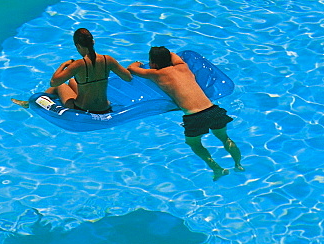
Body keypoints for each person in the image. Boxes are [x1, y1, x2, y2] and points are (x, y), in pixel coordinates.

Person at [128, 46, 244, 180]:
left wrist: (138, 62)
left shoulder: (155, 73)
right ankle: (238, 165)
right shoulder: (183, 66)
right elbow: (172, 55)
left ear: (153, 64)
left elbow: (132, 69)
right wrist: (164, 55)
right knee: (225, 138)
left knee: (194, 144)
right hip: (212, 109)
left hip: (194, 116)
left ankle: (218, 169)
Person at [45, 27, 132, 114]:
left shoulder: (78, 65)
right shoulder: (108, 59)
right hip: (105, 108)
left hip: (82, 109)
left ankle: (39, 99)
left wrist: (63, 65)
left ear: (78, 46)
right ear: (93, 42)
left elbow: (53, 82)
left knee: (61, 86)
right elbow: (128, 77)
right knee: (72, 81)